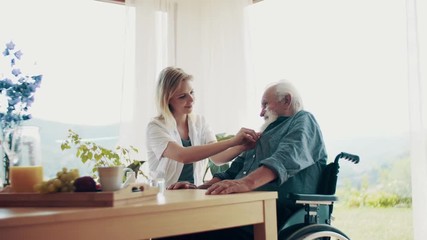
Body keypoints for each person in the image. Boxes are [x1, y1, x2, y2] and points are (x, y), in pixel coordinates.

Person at [166, 79, 328, 240]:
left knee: (182, 233)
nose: (261, 112)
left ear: (286, 100)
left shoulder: (304, 120)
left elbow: (285, 159)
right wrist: (199, 189)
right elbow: (232, 172)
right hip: (242, 211)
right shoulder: (262, 135)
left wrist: (246, 182)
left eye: (265, 104)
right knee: (171, 228)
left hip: (274, 213)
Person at [146, 66, 258, 188]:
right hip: (164, 197)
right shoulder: (155, 127)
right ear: (167, 100)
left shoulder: (200, 122)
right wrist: (233, 141)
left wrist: (242, 147)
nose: (191, 99)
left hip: (193, 194)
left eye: (191, 92)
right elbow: (182, 155)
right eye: (182, 96)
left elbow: (217, 158)